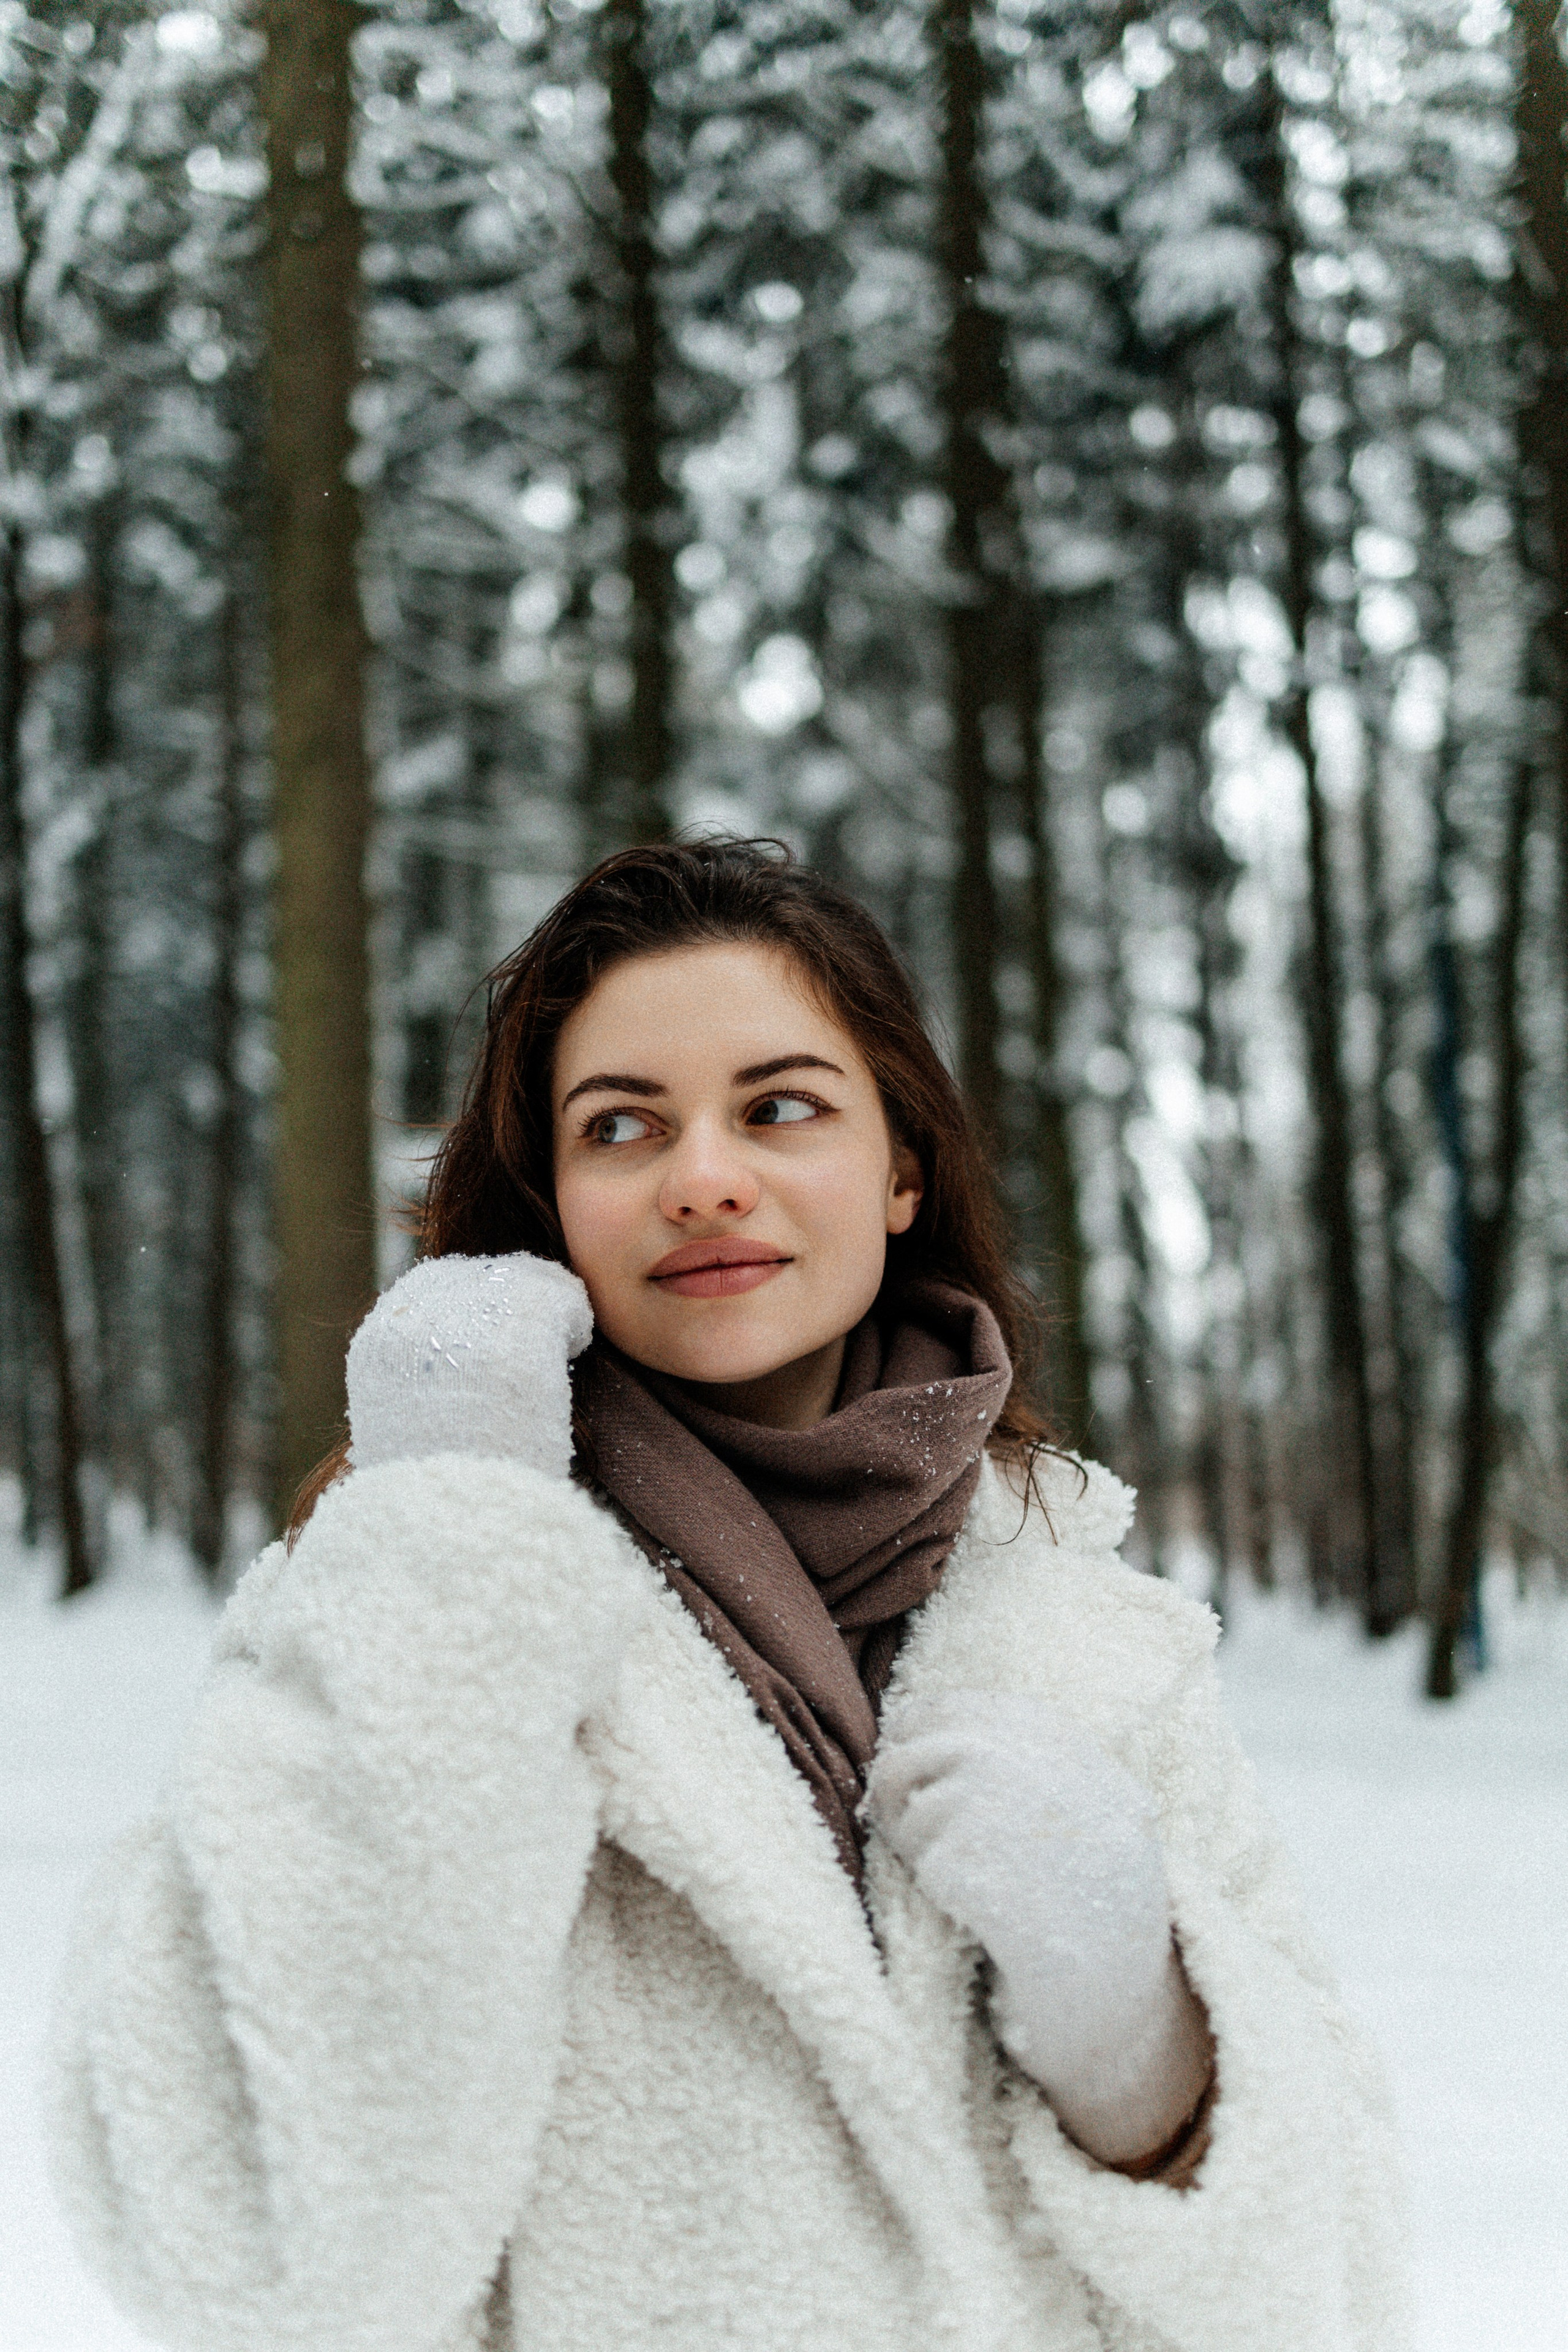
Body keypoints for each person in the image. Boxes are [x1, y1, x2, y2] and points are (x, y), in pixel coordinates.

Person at [48, 840, 1409, 2352]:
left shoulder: (1085, 1630)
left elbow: (1340, 2286)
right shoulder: (386, 1594)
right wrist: (447, 1535)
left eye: (779, 1108)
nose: (703, 1179)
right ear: (551, 1202)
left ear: (899, 1168)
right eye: (621, 1127)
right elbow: (245, 2247)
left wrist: (1146, 2045)